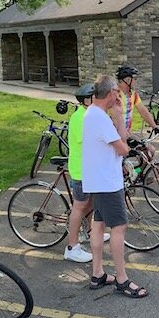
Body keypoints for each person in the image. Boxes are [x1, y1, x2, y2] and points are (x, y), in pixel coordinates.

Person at [83, 75, 146, 298]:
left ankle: (97, 273)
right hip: (107, 183)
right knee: (118, 228)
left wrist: (118, 116)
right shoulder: (99, 118)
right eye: (116, 94)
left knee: (98, 224)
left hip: (98, 180)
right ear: (110, 93)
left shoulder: (93, 113)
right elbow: (123, 148)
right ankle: (122, 279)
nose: (118, 97)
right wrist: (118, 121)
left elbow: (121, 137)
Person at [62, 85, 96, 263]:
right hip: (81, 170)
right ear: (86, 100)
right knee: (79, 206)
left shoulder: (89, 114)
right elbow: (88, 142)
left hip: (89, 169)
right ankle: (72, 247)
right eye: (93, 97)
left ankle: (89, 232)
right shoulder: (79, 117)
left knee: (90, 202)